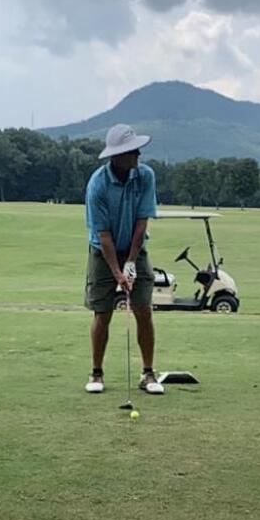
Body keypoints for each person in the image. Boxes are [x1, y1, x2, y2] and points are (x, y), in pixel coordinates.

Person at [83, 123, 164, 395]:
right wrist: (117, 273)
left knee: (143, 309)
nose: (138, 155)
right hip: (102, 250)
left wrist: (131, 263)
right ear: (116, 155)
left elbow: (142, 222)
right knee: (102, 312)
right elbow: (103, 235)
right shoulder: (98, 185)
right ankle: (96, 374)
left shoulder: (145, 176)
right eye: (132, 151)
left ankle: (148, 373)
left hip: (135, 246)